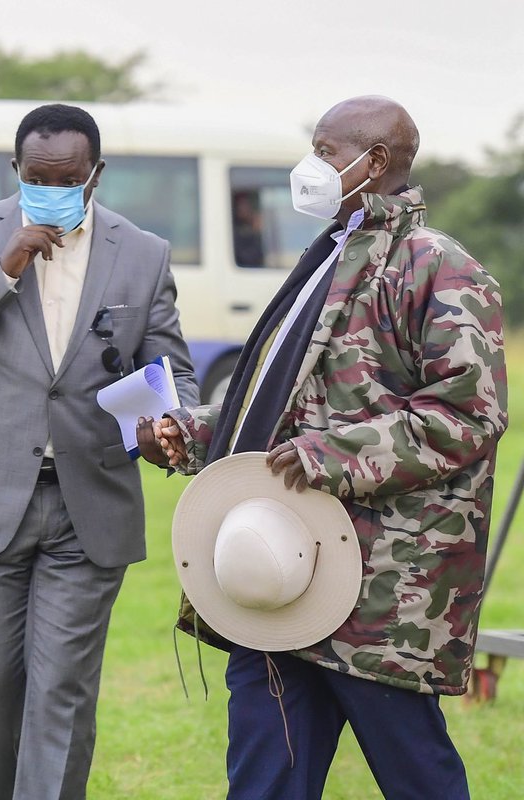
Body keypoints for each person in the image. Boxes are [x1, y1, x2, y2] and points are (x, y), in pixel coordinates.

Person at [141, 96, 508, 799]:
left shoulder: (437, 267)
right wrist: (188, 433)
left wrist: (332, 457)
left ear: (374, 164)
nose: (310, 167)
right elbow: (278, 396)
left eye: (327, 151)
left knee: (418, 779)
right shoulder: (329, 257)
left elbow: (468, 413)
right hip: (278, 581)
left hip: (378, 600)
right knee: (261, 782)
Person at [0, 103, 197, 800]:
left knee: (61, 692)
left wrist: (171, 422)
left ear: (96, 175)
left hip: (88, 502)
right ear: (16, 171)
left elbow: (172, 371)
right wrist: (0, 272)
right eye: (38, 176)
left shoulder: (143, 253)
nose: (53, 188)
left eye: (68, 178)